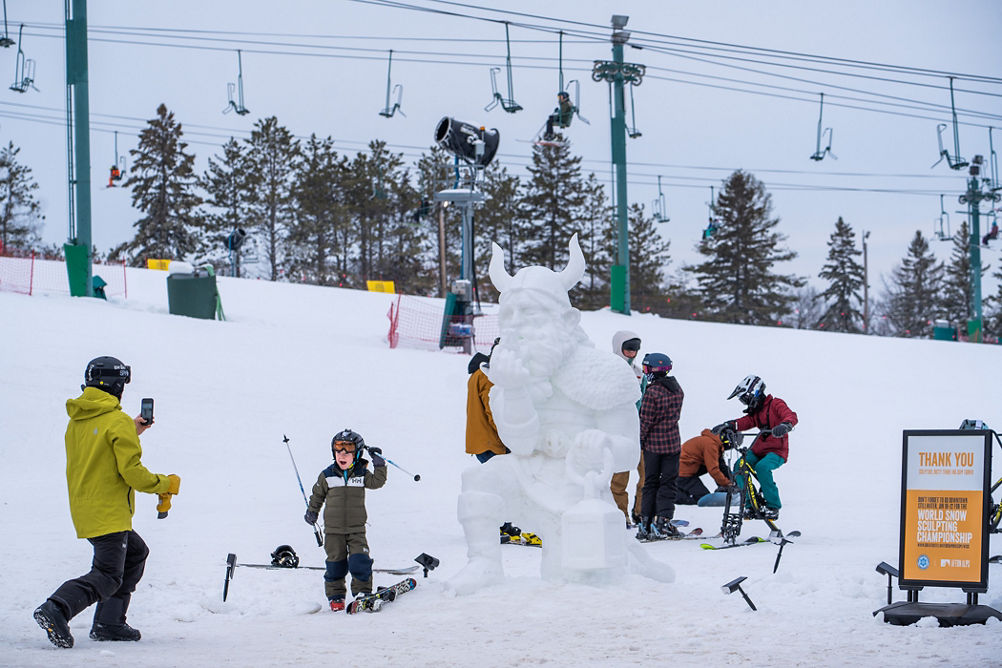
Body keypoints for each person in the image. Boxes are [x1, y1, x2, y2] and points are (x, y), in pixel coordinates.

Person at [450, 235, 671, 594]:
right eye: (511, 315)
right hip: (528, 473)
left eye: (531, 313)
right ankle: (484, 564)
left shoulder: (605, 372)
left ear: (567, 319)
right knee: (480, 478)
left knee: (571, 578)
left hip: (578, 488)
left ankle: (628, 567)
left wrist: (602, 446)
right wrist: (516, 390)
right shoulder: (509, 373)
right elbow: (518, 443)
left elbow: (629, 452)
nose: (519, 325)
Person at [34, 356, 181, 649]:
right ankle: (57, 607)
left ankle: (109, 622)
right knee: (108, 575)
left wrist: (132, 431)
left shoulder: (79, 420)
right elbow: (132, 474)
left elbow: (99, 451)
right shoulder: (116, 422)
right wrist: (165, 484)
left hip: (86, 508)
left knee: (136, 553)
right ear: (115, 386)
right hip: (109, 512)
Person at [305, 428, 387, 611]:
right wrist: (312, 512)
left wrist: (379, 463)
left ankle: (362, 593)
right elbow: (317, 495)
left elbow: (377, 482)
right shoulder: (327, 475)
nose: (342, 454)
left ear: (357, 453)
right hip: (333, 531)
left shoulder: (361, 474)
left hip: (356, 529)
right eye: (338, 449)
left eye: (347, 449)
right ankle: (336, 596)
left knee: (360, 560)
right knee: (335, 563)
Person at [714, 374, 798, 520]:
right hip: (758, 450)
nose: (745, 403)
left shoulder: (776, 404)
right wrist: (729, 425)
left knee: (762, 467)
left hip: (777, 451)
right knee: (738, 466)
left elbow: (790, 415)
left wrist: (785, 425)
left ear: (755, 393)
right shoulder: (756, 412)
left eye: (745, 399)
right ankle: (750, 503)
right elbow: (746, 422)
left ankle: (773, 506)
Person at [636, 353, 684, 540]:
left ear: (654, 371)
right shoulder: (677, 389)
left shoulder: (652, 392)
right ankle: (663, 520)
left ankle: (646, 522)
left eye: (647, 369)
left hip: (653, 447)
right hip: (672, 444)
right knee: (668, 483)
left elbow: (645, 421)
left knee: (650, 483)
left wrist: (639, 441)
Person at [609, 330, 645, 526]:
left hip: (637, 431)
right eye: (628, 349)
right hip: (616, 431)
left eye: (635, 350)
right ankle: (620, 516)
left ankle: (641, 513)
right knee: (619, 479)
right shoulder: (609, 368)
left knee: (646, 476)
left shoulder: (639, 373)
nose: (632, 353)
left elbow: (644, 399)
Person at [676, 428, 738, 505]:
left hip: (690, 468)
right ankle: (671, 496)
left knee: (718, 466)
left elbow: (721, 466)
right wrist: (727, 484)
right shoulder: (711, 445)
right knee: (703, 499)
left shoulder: (714, 442)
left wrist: (734, 480)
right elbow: (713, 469)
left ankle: (675, 488)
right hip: (683, 473)